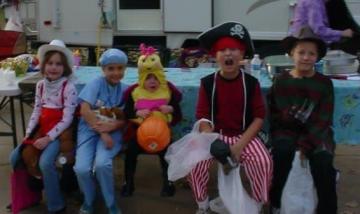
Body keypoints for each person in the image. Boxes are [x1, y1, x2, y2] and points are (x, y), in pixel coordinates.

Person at [186, 22, 273, 214]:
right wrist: (213, 139)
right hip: (214, 136)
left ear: (241, 55)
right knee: (195, 164)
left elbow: (259, 117)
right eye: (222, 50)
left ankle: (258, 202)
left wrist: (239, 145)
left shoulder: (251, 83)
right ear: (215, 56)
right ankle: (202, 204)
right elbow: (202, 115)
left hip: (243, 136)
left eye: (233, 49)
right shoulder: (208, 83)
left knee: (263, 162)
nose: (228, 54)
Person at [268, 27, 337, 214]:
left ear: (317, 57)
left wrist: (306, 145)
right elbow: (276, 114)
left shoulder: (324, 83)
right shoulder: (281, 80)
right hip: (286, 130)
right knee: (282, 153)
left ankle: (327, 208)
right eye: (301, 52)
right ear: (292, 54)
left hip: (316, 132)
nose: (306, 57)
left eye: (311, 53)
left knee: (323, 161)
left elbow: (324, 118)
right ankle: (275, 202)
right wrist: (291, 129)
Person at [9, 39, 78, 214]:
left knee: (46, 162)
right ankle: (28, 195)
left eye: (58, 64)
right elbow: (37, 111)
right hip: (40, 128)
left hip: (58, 132)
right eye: (50, 63)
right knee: (16, 156)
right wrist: (28, 134)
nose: (53, 67)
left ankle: (56, 205)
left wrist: (48, 138)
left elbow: (67, 119)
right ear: (43, 65)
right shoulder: (40, 86)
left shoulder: (68, 87)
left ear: (65, 67)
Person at [121, 44, 182, 197]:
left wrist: (171, 109)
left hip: (163, 133)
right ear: (142, 79)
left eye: (155, 78)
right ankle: (128, 182)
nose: (152, 81)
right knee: (130, 151)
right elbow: (126, 113)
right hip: (139, 132)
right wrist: (137, 111)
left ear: (160, 77)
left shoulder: (168, 91)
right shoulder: (134, 92)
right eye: (148, 78)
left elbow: (178, 113)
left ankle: (168, 182)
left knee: (167, 152)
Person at [73, 48, 128, 214]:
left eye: (120, 68)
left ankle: (110, 203)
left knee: (102, 164)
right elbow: (84, 110)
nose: (115, 72)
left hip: (112, 131)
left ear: (125, 69)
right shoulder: (96, 83)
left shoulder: (127, 90)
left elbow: (126, 117)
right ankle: (89, 199)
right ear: (103, 69)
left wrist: (114, 127)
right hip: (90, 129)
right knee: (81, 168)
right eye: (111, 68)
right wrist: (102, 132)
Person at [289, 0, 360, 55]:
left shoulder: (318, 2)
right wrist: (342, 33)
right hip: (307, 44)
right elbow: (319, 29)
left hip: (302, 42)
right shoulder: (314, 3)